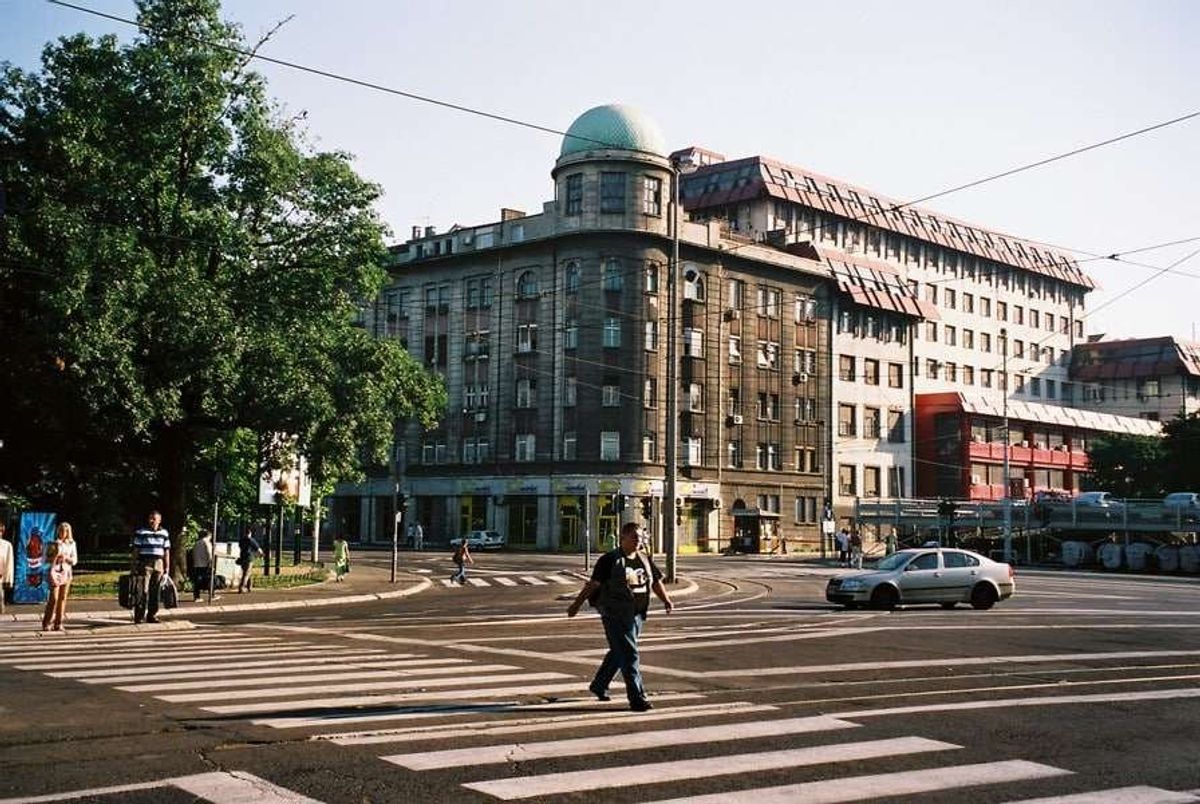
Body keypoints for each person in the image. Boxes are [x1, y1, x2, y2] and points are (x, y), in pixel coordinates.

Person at [567, 521, 673, 712]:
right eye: (634, 537)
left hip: (637, 614)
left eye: (641, 537)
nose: (638, 541)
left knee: (619, 652)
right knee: (630, 654)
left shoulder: (645, 559)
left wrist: (666, 599)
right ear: (622, 537)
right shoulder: (609, 560)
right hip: (615, 614)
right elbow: (593, 585)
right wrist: (576, 604)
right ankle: (637, 698)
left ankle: (599, 685)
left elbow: (655, 581)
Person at [131, 511, 170, 624]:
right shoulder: (141, 532)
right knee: (143, 590)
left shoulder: (164, 533)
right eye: (150, 519)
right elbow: (136, 550)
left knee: (155, 591)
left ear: (159, 520)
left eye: (154, 519)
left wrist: (167, 569)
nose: (151, 521)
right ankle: (139, 616)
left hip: (159, 563)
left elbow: (166, 551)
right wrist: (133, 565)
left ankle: (152, 615)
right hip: (145, 563)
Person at [40, 522, 77, 631]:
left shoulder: (71, 543)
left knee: (62, 598)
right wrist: (55, 557)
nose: (62, 533)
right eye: (60, 531)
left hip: (66, 572)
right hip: (55, 572)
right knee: (54, 598)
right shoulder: (53, 543)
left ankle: (58, 623)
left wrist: (66, 558)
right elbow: (44, 560)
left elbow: (74, 560)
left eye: (64, 531)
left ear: (68, 532)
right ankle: (47, 622)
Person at [190, 530, 214, 602]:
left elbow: (193, 553)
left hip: (197, 564)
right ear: (209, 536)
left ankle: (196, 596)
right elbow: (209, 553)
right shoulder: (207, 543)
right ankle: (211, 595)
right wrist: (211, 563)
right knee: (209, 579)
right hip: (205, 564)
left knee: (197, 581)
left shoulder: (196, 543)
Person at [237, 529, 263, 593]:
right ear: (250, 533)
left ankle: (249, 587)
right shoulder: (251, 540)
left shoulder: (241, 540)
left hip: (242, 557)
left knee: (247, 572)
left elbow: (240, 547)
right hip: (249, 558)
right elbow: (258, 549)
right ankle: (242, 587)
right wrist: (261, 555)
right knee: (247, 574)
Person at [0, 523, 13, 616]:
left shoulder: (7, 545)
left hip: (0, 575)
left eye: (0, 531)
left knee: (0, 597)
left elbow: (9, 562)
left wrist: (8, 579)